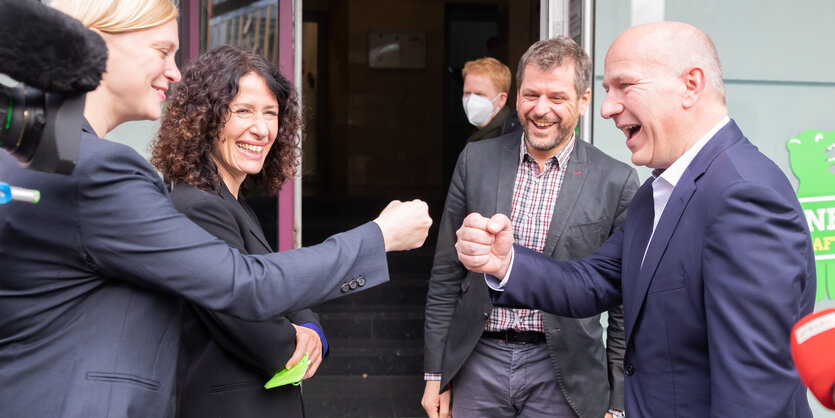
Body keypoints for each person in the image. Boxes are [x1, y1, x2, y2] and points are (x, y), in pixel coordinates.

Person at [0, 1, 431, 416]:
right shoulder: (99, 167)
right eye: (162, 51)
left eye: (271, 113)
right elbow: (245, 286)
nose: (173, 71)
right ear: (93, 44)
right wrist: (379, 236)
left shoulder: (38, 159)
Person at [455, 22, 815, 417]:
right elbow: (592, 282)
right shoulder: (656, 192)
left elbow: (756, 392)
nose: (608, 108)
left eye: (624, 85)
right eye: (608, 90)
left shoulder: (744, 195)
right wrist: (505, 263)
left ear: (691, 85)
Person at [422, 37, 637, 418]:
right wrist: (435, 374)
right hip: (478, 360)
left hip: (565, 370)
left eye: (557, 97)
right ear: (516, 96)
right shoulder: (476, 160)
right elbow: (444, 275)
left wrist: (617, 402)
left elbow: (622, 305)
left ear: (584, 101)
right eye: (531, 94)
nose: (541, 109)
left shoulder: (616, 181)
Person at [150, 46, 322, 417]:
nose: (260, 129)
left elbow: (275, 286)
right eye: (243, 110)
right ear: (205, 119)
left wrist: (311, 327)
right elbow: (264, 336)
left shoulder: (229, 200)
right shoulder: (198, 207)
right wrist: (299, 337)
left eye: (271, 113)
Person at [461, 57, 521, 143]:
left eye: (479, 94)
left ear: (501, 99)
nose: (471, 101)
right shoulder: (475, 131)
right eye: (467, 93)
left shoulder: (512, 136)